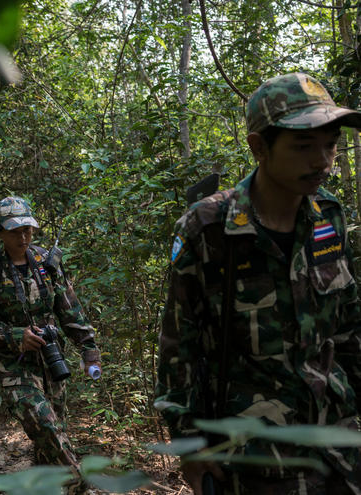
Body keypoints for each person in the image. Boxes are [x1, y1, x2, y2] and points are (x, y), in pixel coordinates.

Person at [154, 72, 361, 494]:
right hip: (255, 460)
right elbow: (179, 348)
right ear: (259, 147)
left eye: (331, 144)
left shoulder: (329, 217)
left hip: (341, 446)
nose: (323, 161)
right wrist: (191, 448)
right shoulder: (209, 229)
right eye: (304, 146)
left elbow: (349, 327)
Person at [0, 197, 101, 488]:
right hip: (13, 366)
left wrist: (89, 348)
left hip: (51, 360)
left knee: (51, 437)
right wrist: (16, 336)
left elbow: (69, 308)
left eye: (28, 229)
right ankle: (79, 486)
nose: (23, 236)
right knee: (45, 425)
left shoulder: (45, 262)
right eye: (15, 231)